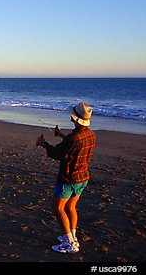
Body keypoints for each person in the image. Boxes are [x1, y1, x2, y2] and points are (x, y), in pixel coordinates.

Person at [36, 101, 97, 254]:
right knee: (70, 207)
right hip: (83, 177)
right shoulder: (90, 134)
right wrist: (61, 134)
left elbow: (56, 153)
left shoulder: (74, 138)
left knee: (58, 208)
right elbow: (72, 144)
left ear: (76, 119)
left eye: (73, 116)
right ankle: (72, 238)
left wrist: (43, 144)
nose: (71, 118)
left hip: (69, 179)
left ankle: (70, 244)